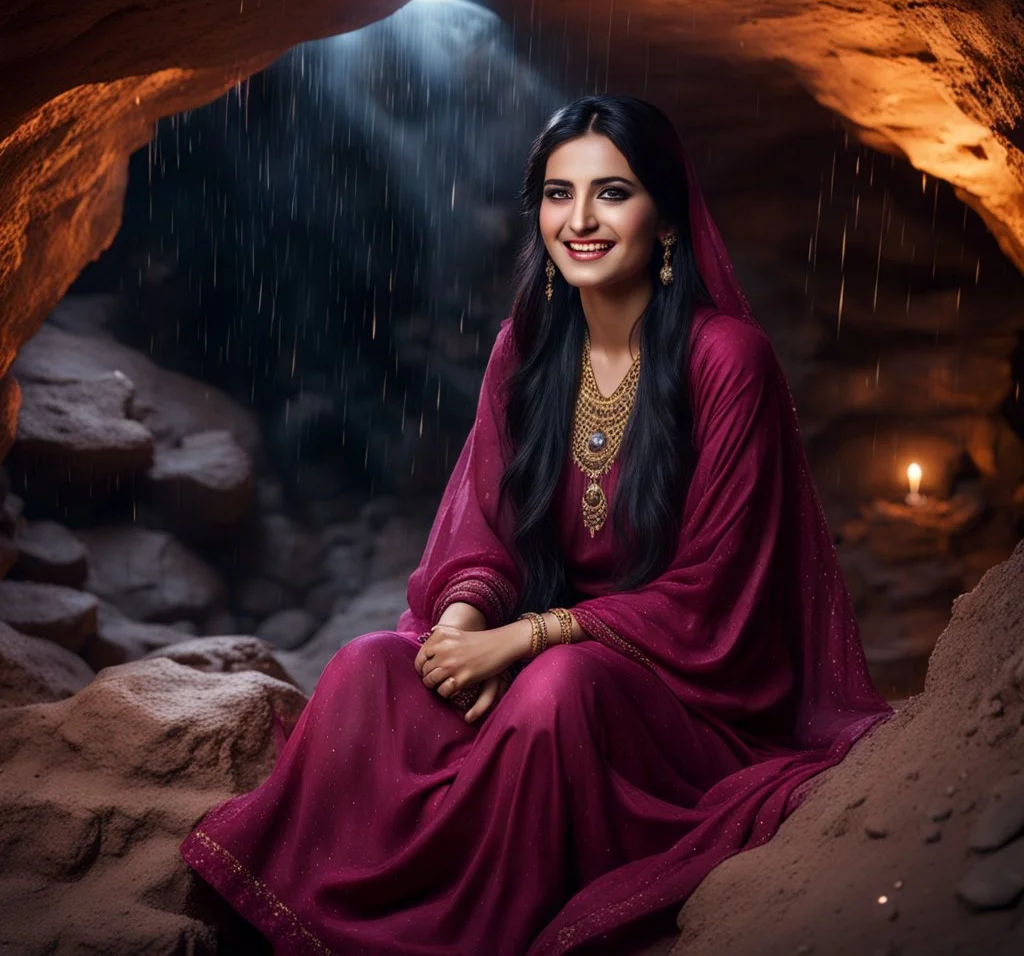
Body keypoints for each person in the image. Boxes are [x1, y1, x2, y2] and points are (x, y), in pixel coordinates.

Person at [179, 94, 895, 955]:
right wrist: (460, 635)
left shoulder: (725, 361)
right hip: (534, 658)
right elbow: (481, 527)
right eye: (559, 194)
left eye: (612, 193)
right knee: (369, 666)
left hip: (682, 695)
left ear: (666, 215)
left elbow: (717, 599)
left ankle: (455, 935)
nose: (581, 220)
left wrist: (527, 642)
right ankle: (337, 918)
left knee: (559, 692)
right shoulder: (527, 349)